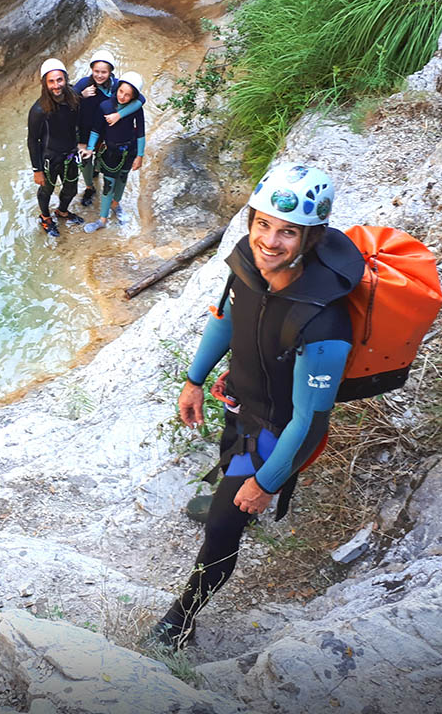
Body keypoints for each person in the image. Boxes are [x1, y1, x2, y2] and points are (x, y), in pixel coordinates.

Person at [147, 163, 364, 650]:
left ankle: (182, 617)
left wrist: (266, 484)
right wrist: (194, 379)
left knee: (224, 528)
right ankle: (232, 495)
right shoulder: (248, 260)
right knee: (229, 465)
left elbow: (310, 422)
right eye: (262, 223)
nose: (270, 240)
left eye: (288, 232)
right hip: (241, 404)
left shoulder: (324, 324)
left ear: (310, 238)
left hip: (277, 428)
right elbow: (226, 320)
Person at [72, 49, 143, 207]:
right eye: (96, 71)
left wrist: (119, 115)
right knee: (85, 159)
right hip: (85, 130)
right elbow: (66, 100)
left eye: (104, 72)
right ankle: (90, 187)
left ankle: (103, 179)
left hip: (107, 130)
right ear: (91, 70)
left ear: (111, 72)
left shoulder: (117, 86)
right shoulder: (84, 83)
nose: (99, 75)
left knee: (104, 158)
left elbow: (140, 99)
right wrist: (80, 95)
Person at [27, 57, 86, 238]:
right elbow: (32, 141)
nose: (56, 85)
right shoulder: (39, 111)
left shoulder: (74, 98)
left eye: (59, 80)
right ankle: (45, 217)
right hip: (49, 157)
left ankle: (62, 211)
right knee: (46, 190)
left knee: (71, 189)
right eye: (51, 81)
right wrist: (37, 170)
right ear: (45, 84)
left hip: (70, 154)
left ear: (66, 79)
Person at [82, 71, 146, 232]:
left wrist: (139, 155)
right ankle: (102, 219)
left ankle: (116, 204)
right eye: (120, 92)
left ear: (133, 97)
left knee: (122, 179)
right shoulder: (105, 106)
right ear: (116, 89)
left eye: (127, 95)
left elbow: (140, 133)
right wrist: (90, 149)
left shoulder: (136, 109)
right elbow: (96, 130)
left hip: (129, 150)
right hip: (110, 152)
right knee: (108, 184)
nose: (122, 97)